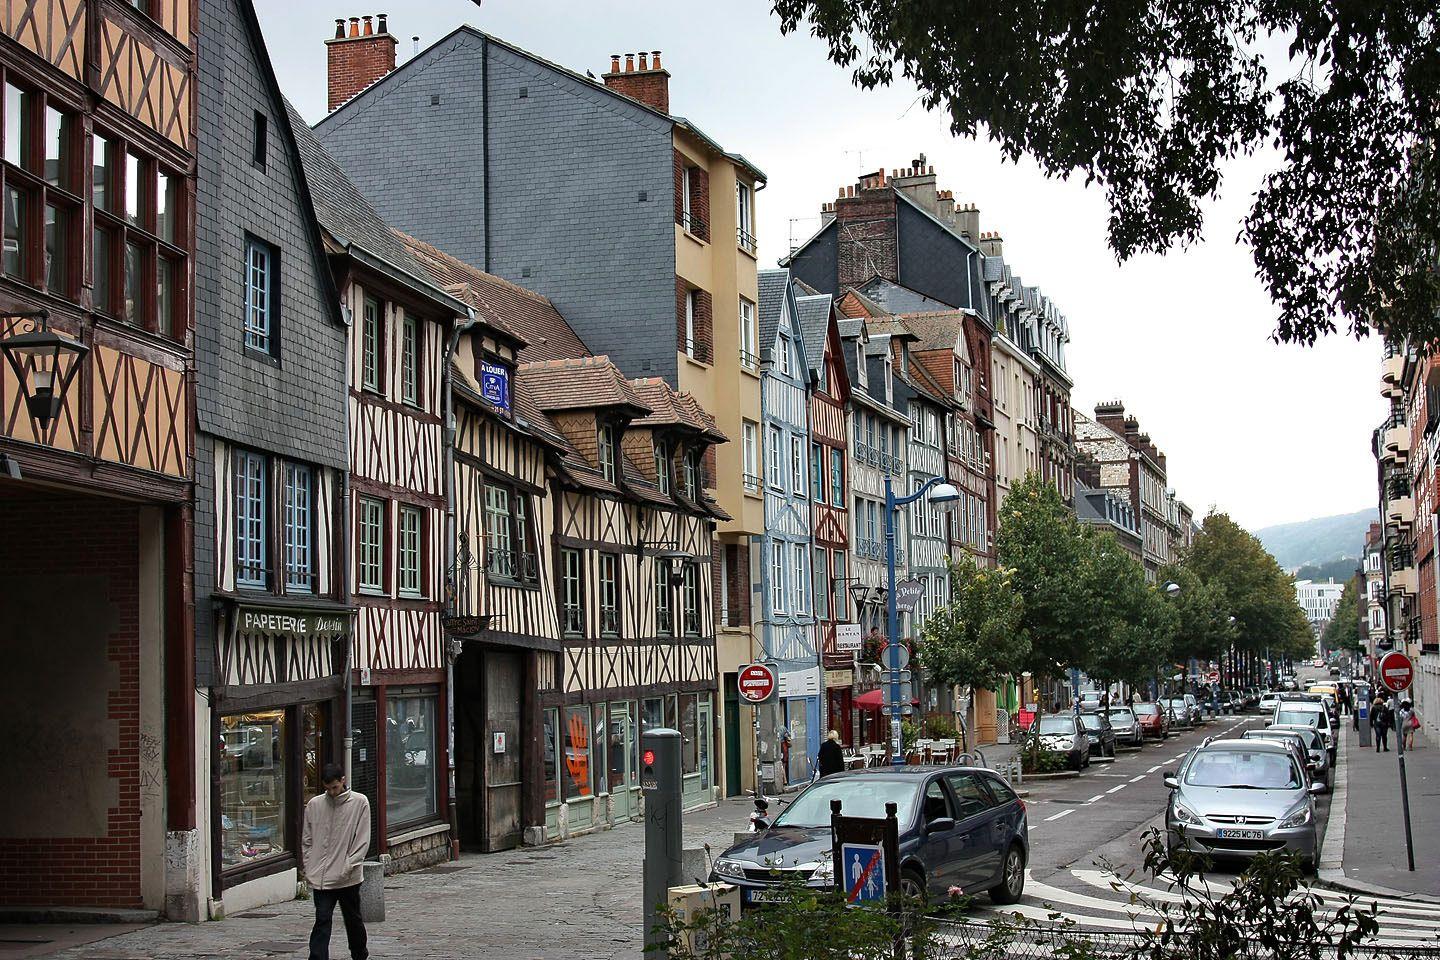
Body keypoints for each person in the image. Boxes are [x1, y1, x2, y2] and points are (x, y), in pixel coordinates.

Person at [303, 763, 371, 960]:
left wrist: (349, 865)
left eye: (334, 787)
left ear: (343, 781)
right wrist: (310, 866)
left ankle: (359, 954)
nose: (332, 792)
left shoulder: (360, 803)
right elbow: (307, 840)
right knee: (322, 918)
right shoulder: (315, 805)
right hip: (321, 876)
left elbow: (362, 839)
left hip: (347, 876)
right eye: (327, 788)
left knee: (352, 919)